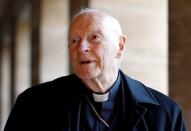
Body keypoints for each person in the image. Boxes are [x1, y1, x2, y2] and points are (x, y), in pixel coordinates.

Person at [4, 8, 186, 131]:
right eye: (74, 40)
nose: (82, 48)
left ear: (120, 46)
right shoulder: (33, 105)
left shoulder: (164, 113)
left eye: (95, 37)